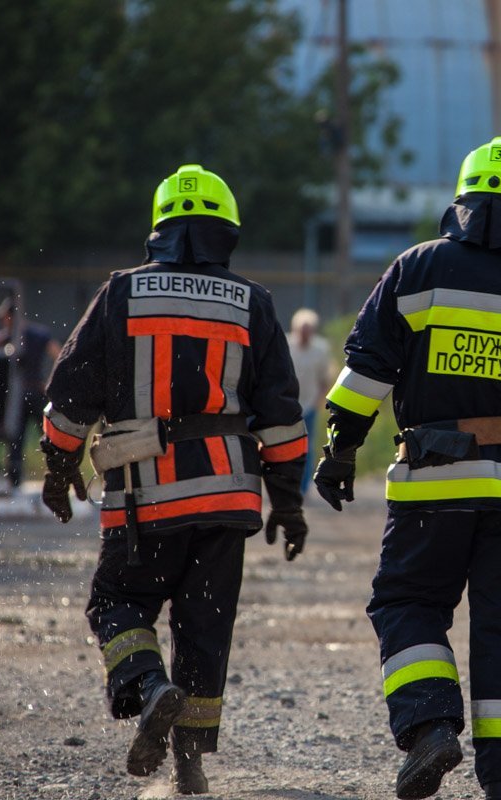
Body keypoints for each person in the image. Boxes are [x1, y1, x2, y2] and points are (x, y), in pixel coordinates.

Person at [313, 137, 501, 800]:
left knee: (408, 602)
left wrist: (340, 448)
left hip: (435, 483)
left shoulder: (417, 269)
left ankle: (429, 729)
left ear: (462, 203)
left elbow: (365, 372)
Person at [39, 164, 309, 793]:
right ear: (227, 231)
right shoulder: (254, 303)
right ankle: (189, 764)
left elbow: (70, 392)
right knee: (205, 626)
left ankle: (149, 686)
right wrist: (288, 505)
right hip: (229, 500)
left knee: (116, 603)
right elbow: (282, 420)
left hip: (144, 498)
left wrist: (58, 466)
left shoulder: (121, 293)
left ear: (160, 229)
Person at [0, 298, 61, 488]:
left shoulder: (7, 336)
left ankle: (15, 480)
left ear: (10, 316)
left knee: (16, 438)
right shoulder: (39, 333)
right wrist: (50, 383)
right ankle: (58, 474)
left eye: (4, 317)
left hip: (18, 395)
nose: (3, 321)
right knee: (49, 436)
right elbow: (59, 355)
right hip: (38, 391)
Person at [286, 308, 331, 493]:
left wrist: (318, 402)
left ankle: (302, 488)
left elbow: (324, 379)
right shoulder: (286, 345)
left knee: (307, 448)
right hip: (288, 404)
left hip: (309, 405)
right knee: (285, 446)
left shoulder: (321, 349)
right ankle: (287, 484)